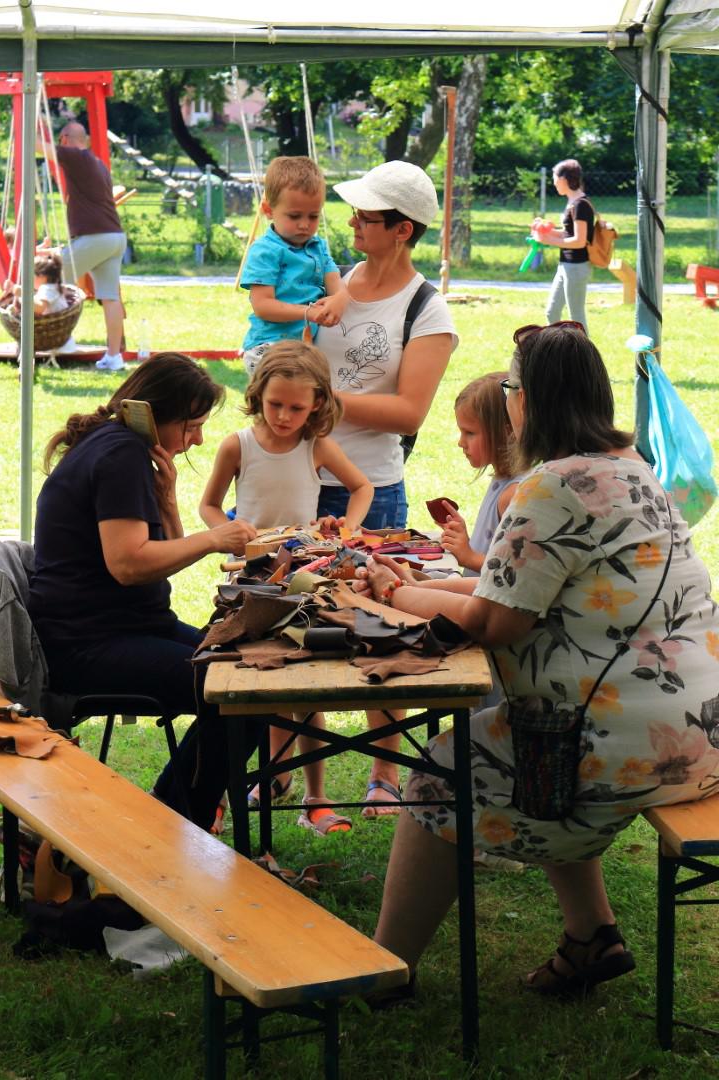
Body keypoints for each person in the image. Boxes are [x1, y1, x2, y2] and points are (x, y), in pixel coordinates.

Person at [354, 322, 719, 996]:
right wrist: (413, 585)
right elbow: (510, 587)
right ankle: (591, 936)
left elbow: (495, 622)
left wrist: (396, 592)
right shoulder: (634, 471)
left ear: (528, 400)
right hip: (701, 732)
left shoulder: (550, 486)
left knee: (443, 770)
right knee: (528, 742)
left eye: (510, 388)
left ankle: (385, 971)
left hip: (624, 746)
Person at [28, 353, 260, 831]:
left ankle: (171, 813)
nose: (197, 439)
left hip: (126, 628)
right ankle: (174, 821)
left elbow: (162, 558)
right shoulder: (121, 455)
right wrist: (214, 538)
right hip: (88, 644)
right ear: (159, 416)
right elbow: (129, 564)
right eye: (192, 426)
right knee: (242, 694)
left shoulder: (118, 446)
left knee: (252, 682)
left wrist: (167, 500)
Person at [315, 159, 458, 816]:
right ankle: (294, 771)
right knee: (294, 626)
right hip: (299, 478)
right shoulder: (335, 283)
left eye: (366, 217)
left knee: (379, 628)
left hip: (371, 485)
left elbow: (409, 412)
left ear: (402, 230)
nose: (352, 222)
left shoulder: (428, 310)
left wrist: (322, 401)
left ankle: (384, 773)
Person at [199, 339, 373, 834]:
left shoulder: (316, 445)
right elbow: (209, 504)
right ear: (258, 394)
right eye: (275, 404)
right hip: (248, 587)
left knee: (305, 692)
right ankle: (226, 792)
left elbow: (362, 486)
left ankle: (316, 798)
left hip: (302, 584)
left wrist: (347, 530)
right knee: (246, 689)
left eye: (297, 408)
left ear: (317, 403)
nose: (283, 416)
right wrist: (229, 533)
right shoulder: (238, 444)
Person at [239, 156, 349, 376]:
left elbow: (337, 285)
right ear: (268, 210)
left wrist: (340, 300)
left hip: (306, 349)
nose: (304, 225)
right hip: (269, 347)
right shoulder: (265, 251)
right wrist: (309, 312)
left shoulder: (318, 247)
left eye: (313, 216)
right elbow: (263, 305)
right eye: (294, 216)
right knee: (288, 393)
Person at [54, 121, 127, 372]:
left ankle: (63, 340)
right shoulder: (97, 163)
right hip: (115, 237)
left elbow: (39, 146)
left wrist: (29, 124)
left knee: (49, 278)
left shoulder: (77, 157)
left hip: (96, 237)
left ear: (65, 139)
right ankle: (114, 357)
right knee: (110, 296)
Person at [440, 373, 521, 579]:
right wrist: (462, 539)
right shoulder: (501, 480)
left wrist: (468, 556)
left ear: (506, 433)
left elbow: (514, 573)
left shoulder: (513, 494)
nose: (461, 442)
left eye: (469, 433)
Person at [532, 158, 594, 333]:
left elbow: (579, 241)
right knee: (552, 312)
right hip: (565, 265)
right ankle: (557, 347)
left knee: (576, 317)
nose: (553, 183)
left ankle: (585, 350)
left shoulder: (580, 205)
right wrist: (546, 231)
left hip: (577, 267)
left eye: (554, 178)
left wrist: (548, 241)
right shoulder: (572, 202)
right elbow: (568, 234)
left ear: (564, 179)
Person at [31, 251, 69, 316]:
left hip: (55, 320)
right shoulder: (54, 286)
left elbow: (40, 308)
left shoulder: (48, 288)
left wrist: (23, 296)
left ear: (42, 276)